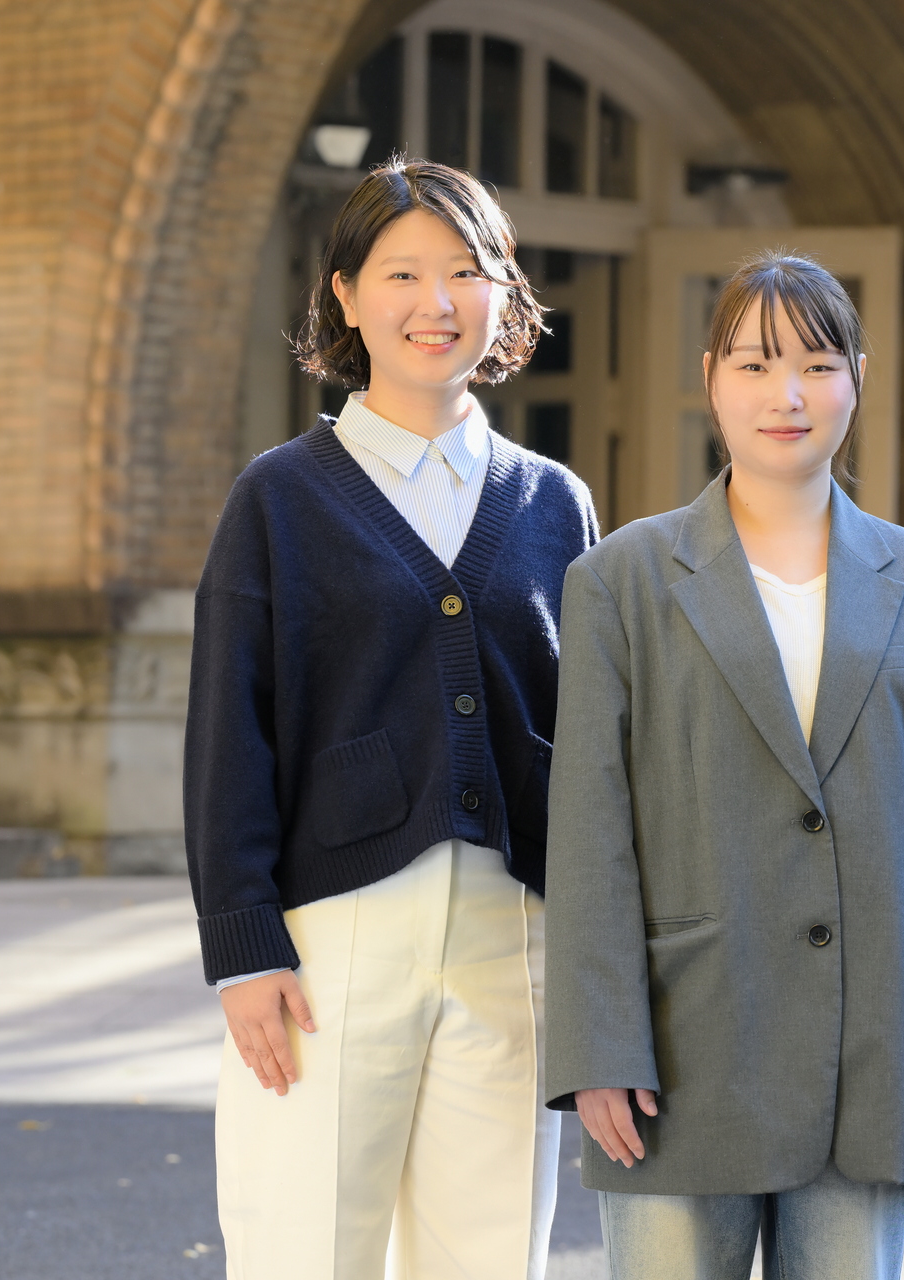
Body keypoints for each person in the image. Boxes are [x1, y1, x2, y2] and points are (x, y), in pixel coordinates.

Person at [543, 250, 904, 1280]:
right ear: (710, 379)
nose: (788, 395)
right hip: (678, 1056)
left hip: (867, 1050)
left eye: (817, 364)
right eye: (756, 364)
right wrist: (597, 1046)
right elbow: (589, 834)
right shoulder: (619, 582)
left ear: (857, 379)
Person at [183, 157, 595, 1280]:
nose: (436, 302)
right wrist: (243, 946)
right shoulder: (278, 496)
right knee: (305, 1250)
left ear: (503, 293)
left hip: (514, 939)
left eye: (466, 271)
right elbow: (228, 732)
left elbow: (587, 739)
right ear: (347, 295)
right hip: (332, 939)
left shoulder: (554, 503)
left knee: (490, 1256)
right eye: (402, 273)